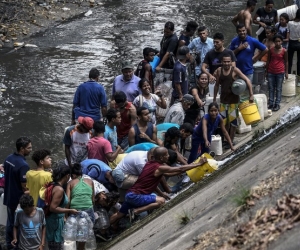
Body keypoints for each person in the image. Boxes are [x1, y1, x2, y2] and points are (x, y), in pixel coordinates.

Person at [109, 147, 208, 224]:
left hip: (130, 194)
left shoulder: (149, 164)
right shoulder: (158, 167)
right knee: (161, 201)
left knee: (119, 214)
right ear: (161, 158)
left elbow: (169, 174)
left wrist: (163, 192)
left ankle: (105, 228)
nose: (168, 156)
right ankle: (136, 211)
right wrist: (198, 164)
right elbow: (180, 169)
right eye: (166, 155)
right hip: (135, 195)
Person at [214, 54, 254, 145]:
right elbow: (216, 85)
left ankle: (231, 141)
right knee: (224, 121)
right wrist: (214, 99)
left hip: (233, 101)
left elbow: (247, 80)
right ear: (222, 62)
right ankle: (225, 140)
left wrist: (251, 94)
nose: (226, 63)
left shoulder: (235, 70)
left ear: (231, 62)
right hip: (223, 101)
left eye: (228, 61)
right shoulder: (219, 71)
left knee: (233, 121)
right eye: (225, 61)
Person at [3, 136, 32, 250]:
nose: (30, 150)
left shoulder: (8, 158)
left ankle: (8, 244)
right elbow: (25, 188)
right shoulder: (24, 165)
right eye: (29, 148)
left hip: (8, 196)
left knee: (10, 222)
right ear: (22, 149)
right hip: (17, 200)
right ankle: (17, 245)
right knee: (18, 224)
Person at [45, 165, 77, 250]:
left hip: (53, 220)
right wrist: (70, 210)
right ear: (67, 176)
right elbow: (53, 208)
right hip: (55, 222)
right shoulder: (59, 189)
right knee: (57, 246)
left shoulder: (52, 185)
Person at [66, 163, 94, 250]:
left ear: (73, 174)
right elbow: (93, 199)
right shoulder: (90, 181)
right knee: (85, 234)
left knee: (77, 234)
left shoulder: (70, 183)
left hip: (75, 210)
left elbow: (68, 200)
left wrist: (66, 214)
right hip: (89, 209)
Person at [266, 34, 288, 112]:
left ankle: (277, 103)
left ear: (281, 42)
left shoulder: (284, 51)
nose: (278, 43)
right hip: (271, 71)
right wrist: (266, 71)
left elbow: (286, 61)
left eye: (279, 41)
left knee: (278, 88)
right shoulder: (271, 50)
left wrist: (286, 72)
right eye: (276, 41)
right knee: (271, 88)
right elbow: (268, 61)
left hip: (280, 72)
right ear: (274, 42)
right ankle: (271, 103)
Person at [287, 8, 300, 85]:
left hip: (291, 43)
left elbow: (288, 33)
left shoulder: (290, 23)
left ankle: (288, 75)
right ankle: (298, 80)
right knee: (299, 62)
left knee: (289, 61)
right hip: (299, 43)